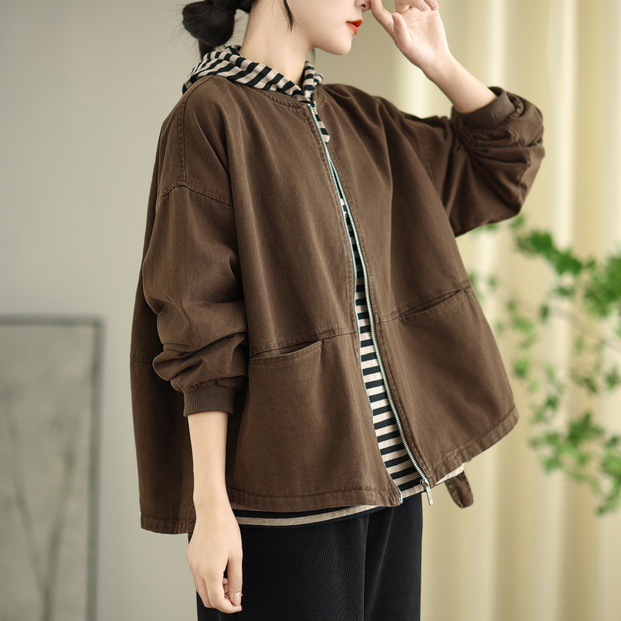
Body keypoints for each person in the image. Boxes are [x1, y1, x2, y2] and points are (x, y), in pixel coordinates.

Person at [128, 0, 545, 618]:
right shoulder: (210, 117)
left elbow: (505, 161)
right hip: (285, 499)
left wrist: (438, 60)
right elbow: (198, 324)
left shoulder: (360, 120)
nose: (363, 2)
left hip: (392, 485)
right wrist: (210, 507)